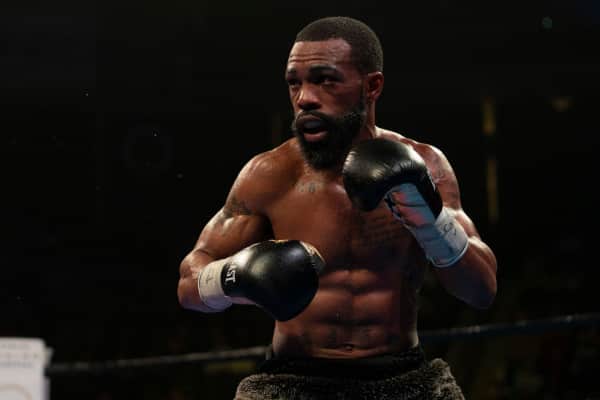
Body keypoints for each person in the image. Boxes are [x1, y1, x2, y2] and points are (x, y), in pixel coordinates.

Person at [177, 16, 497, 400]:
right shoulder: (269, 175)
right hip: (291, 382)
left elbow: (481, 290)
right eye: (294, 83)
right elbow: (188, 284)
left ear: (372, 86)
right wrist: (230, 276)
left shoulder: (425, 165)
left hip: (402, 378)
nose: (304, 98)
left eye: (324, 80)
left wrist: (430, 220)